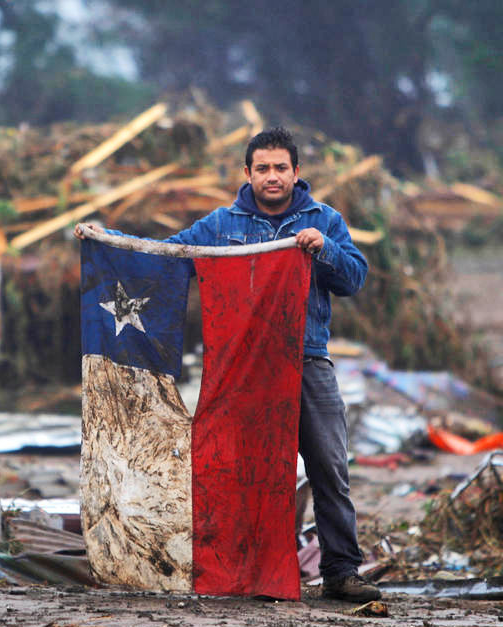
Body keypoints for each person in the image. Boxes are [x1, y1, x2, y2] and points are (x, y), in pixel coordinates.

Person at [76, 126, 380, 603]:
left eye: (281, 168)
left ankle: (341, 572)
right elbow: (169, 257)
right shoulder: (221, 224)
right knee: (237, 468)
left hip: (305, 360)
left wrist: (324, 249)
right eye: (263, 169)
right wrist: (107, 241)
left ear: (296, 173)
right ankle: (243, 569)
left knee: (328, 467)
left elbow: (354, 279)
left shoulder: (325, 219)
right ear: (247, 173)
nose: (273, 177)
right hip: (241, 368)